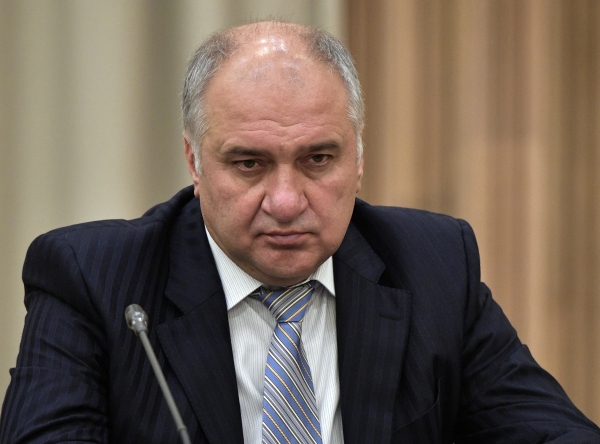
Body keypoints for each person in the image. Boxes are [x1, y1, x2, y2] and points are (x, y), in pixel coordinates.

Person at [1, 20, 599, 444]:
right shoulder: (94, 279)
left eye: (318, 159)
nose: (286, 202)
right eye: (249, 163)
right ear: (194, 162)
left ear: (358, 159)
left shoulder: (434, 265)